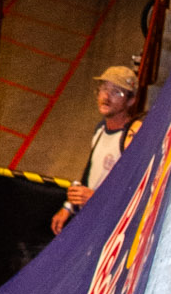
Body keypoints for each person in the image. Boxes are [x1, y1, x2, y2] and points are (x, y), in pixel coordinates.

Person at [51, 63, 143, 235]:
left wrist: (96, 199)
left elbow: (134, 195)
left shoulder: (131, 138)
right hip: (89, 221)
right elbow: (89, 176)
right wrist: (68, 207)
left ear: (131, 101)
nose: (106, 96)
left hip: (109, 230)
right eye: (104, 89)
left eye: (116, 92)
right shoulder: (100, 129)